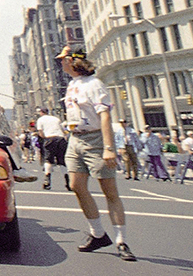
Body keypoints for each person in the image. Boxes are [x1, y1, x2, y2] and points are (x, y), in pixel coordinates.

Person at [57, 46, 135, 261]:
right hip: (75, 139)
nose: (60, 63)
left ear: (74, 61)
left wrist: (109, 148)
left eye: (63, 59)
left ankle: (122, 241)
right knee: (76, 185)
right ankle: (98, 234)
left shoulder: (94, 84)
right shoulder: (72, 85)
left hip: (96, 140)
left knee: (109, 191)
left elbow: (105, 116)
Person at [35, 107, 68, 191]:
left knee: (48, 160)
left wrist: (44, 138)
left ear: (41, 112)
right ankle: (68, 181)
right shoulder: (56, 119)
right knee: (62, 161)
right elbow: (63, 130)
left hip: (50, 139)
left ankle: (47, 180)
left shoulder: (40, 120)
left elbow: (40, 132)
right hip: (60, 139)